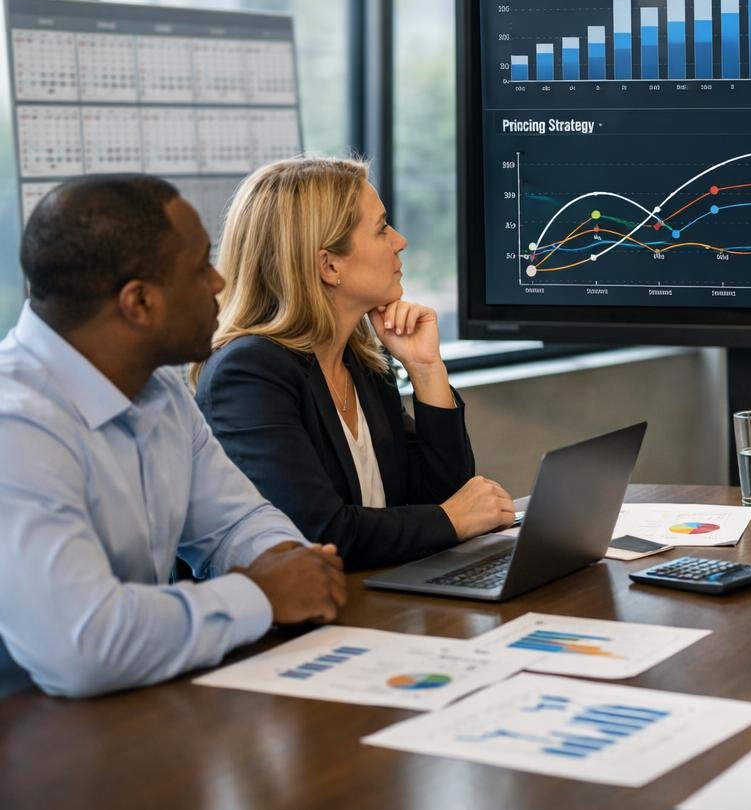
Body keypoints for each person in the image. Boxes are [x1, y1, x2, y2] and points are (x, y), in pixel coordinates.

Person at [0, 175, 346, 698]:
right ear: (138, 302)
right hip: (34, 729)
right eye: (200, 265)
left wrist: (292, 564)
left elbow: (238, 522)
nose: (219, 282)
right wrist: (260, 594)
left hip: (139, 700)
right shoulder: (16, 425)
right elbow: (84, 646)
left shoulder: (158, 385)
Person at [193, 159, 518, 570]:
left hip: (375, 600)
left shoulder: (362, 361)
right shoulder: (248, 374)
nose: (400, 241)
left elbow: (444, 497)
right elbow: (319, 535)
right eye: (382, 228)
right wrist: (452, 518)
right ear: (329, 265)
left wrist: (426, 368)